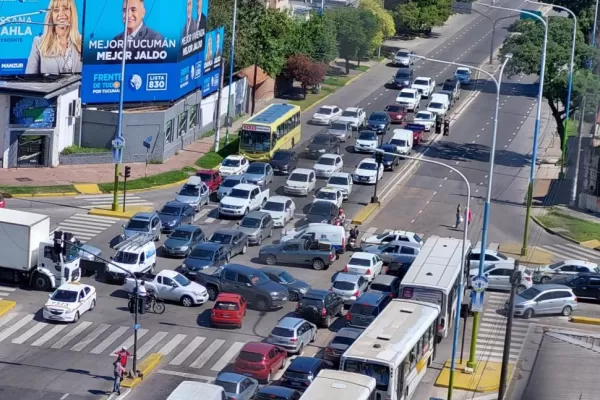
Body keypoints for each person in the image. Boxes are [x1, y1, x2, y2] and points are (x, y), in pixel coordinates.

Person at [26, 0, 82, 74]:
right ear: (51, 15)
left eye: (65, 8)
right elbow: (29, 81)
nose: (61, 14)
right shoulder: (39, 43)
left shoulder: (83, 43)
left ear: (72, 12)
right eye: (56, 10)